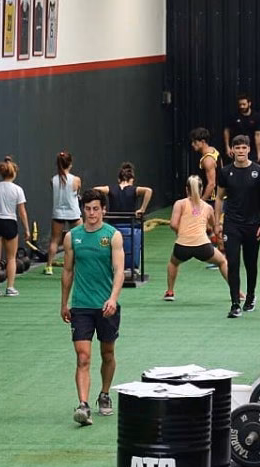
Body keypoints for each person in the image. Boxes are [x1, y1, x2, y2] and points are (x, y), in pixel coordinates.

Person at [61, 189, 124, 426]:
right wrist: (64, 303)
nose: (92, 213)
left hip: (106, 307)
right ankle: (83, 405)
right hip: (81, 307)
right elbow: (68, 271)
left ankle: (105, 394)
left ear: (103, 210)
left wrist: (113, 299)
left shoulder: (113, 236)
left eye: (96, 209)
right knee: (83, 357)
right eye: (87, 209)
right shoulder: (72, 237)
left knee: (107, 353)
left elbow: (119, 271)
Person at [214, 134, 260, 318]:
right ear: (232, 150)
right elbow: (219, 197)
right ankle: (235, 303)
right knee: (233, 262)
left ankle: (250, 296)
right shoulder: (225, 172)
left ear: (249, 149)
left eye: (244, 147)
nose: (241, 151)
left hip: (253, 224)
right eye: (237, 148)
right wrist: (217, 223)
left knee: (251, 263)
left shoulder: (258, 170)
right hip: (232, 224)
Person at [164, 175, 229, 300]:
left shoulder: (179, 204)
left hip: (182, 246)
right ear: (201, 189)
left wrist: (180, 233)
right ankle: (236, 292)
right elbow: (213, 226)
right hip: (203, 246)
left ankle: (170, 292)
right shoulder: (208, 207)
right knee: (222, 261)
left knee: (173, 263)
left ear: (186, 189)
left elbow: (173, 224)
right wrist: (216, 235)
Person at [94, 162, 152, 272]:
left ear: (118, 179)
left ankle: (112, 266)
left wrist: (102, 208)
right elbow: (148, 191)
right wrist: (142, 209)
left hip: (113, 226)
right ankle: (132, 267)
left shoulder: (111, 189)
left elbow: (95, 189)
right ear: (132, 179)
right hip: (130, 225)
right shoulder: (134, 189)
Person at [0, 156, 31, 297]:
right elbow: (22, 212)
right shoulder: (18, 190)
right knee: (11, 258)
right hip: (9, 222)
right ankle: (10, 288)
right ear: (14, 173)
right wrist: (27, 229)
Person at [44, 151, 82, 275]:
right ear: (70, 164)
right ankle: (80, 265)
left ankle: (49, 266)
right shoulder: (76, 180)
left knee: (54, 240)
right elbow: (77, 192)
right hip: (73, 213)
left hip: (58, 213)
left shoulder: (53, 180)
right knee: (80, 238)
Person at [223, 93, 260, 163]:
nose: (242, 106)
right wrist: (227, 147)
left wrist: (259, 153)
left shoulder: (256, 116)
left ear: (249, 103)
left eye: (244, 104)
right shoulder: (234, 115)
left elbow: (258, 135)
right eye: (240, 104)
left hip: (250, 149)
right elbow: (226, 131)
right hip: (236, 147)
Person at [189, 127, 222, 201]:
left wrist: (201, 202)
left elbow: (211, 184)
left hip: (211, 200)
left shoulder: (208, 160)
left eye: (195, 142)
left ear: (203, 142)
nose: (192, 144)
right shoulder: (213, 150)